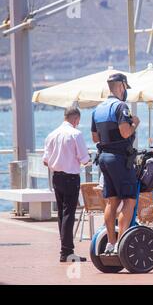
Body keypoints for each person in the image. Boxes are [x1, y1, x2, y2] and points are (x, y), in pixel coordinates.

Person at [91, 73, 140, 255]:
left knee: (112, 201)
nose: (126, 91)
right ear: (121, 86)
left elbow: (95, 137)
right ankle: (121, 243)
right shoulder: (121, 106)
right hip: (120, 158)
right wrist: (135, 123)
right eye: (125, 88)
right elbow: (126, 132)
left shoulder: (98, 109)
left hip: (104, 157)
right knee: (130, 200)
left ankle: (111, 242)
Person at [43, 107, 90, 262]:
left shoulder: (51, 135)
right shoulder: (76, 134)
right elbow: (85, 160)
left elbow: (45, 160)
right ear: (75, 119)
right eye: (78, 121)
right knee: (69, 214)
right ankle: (67, 252)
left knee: (62, 214)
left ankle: (65, 251)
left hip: (56, 177)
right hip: (70, 178)